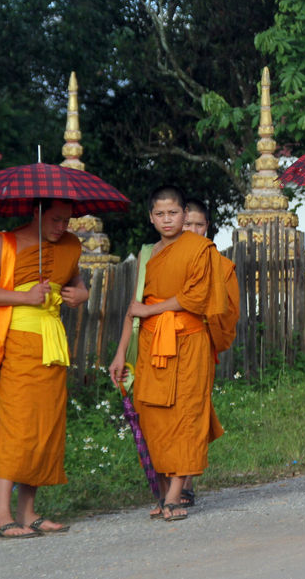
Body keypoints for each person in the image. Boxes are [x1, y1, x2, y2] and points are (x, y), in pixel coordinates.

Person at [0, 199, 88, 538]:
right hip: (17, 342)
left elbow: (75, 281)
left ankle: (28, 511)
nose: (61, 227)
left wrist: (83, 293)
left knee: (44, 426)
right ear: (36, 211)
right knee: (16, 426)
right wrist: (23, 298)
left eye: (66, 220)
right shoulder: (3, 242)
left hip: (52, 344)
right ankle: (0, 516)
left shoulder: (70, 245)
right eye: (55, 219)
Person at [109, 186, 227, 521]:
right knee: (152, 414)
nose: (167, 220)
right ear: (151, 217)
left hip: (188, 342)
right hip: (149, 345)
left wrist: (152, 310)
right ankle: (163, 493)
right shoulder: (148, 254)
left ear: (184, 215)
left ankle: (176, 494)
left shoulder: (200, 248)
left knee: (186, 416)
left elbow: (196, 298)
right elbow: (135, 307)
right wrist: (120, 354)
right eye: (159, 214)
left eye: (173, 213)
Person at [179, 199, 240, 507]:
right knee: (164, 414)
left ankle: (185, 481)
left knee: (193, 412)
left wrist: (205, 319)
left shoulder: (221, 266)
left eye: (198, 225)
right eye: (186, 224)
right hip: (162, 345)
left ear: (208, 230)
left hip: (199, 344)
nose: (192, 230)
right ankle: (167, 479)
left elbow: (227, 313)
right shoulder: (164, 258)